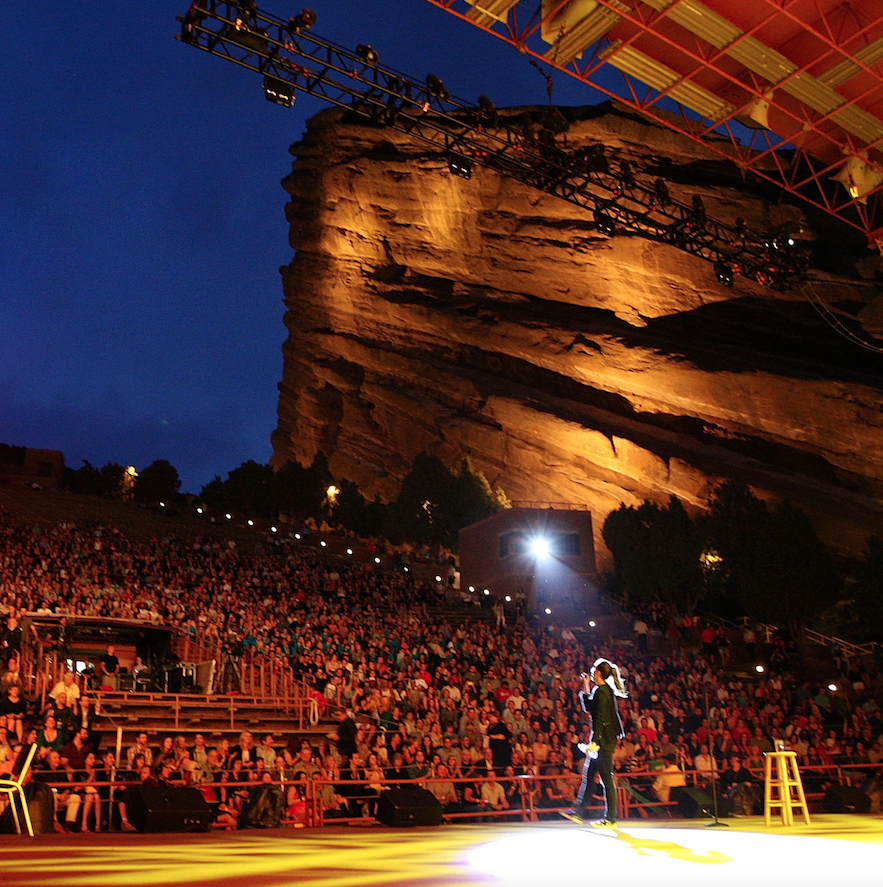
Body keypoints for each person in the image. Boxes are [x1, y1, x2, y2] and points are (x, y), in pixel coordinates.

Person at [561, 657, 627, 828]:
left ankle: (610, 818)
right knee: (590, 776)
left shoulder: (603, 692)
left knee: (606, 778)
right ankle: (579, 812)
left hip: (603, 741)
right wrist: (585, 686)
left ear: (598, 672)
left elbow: (600, 719)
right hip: (602, 740)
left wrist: (595, 741)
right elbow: (589, 707)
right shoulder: (601, 690)